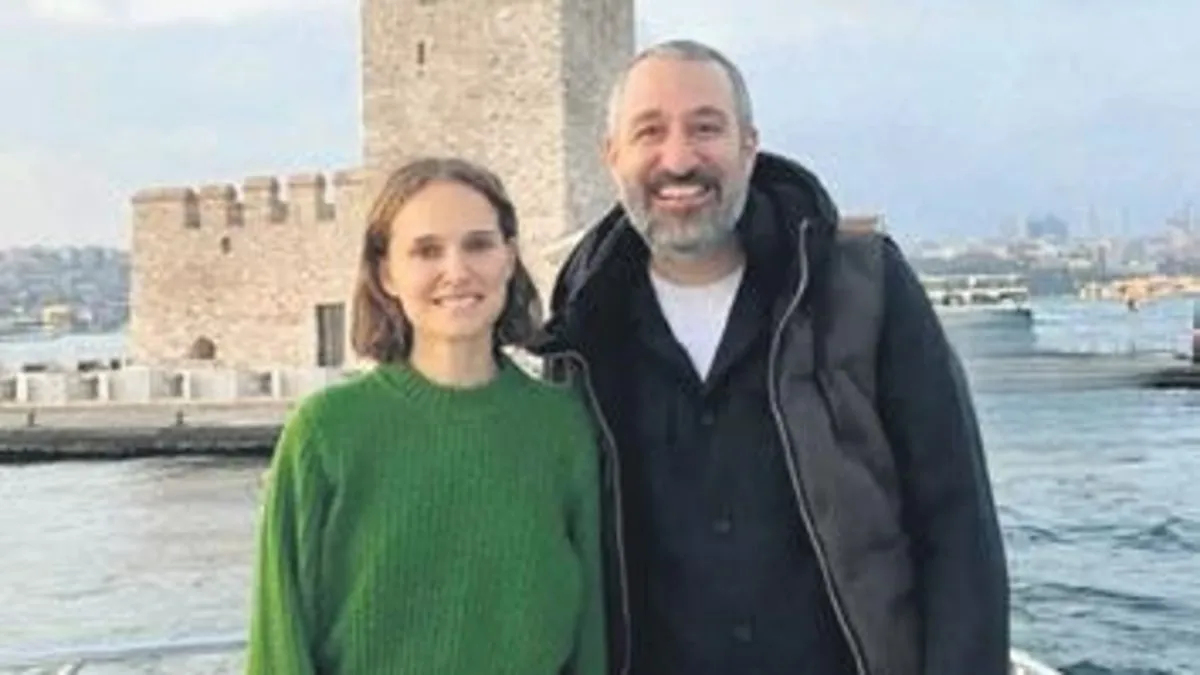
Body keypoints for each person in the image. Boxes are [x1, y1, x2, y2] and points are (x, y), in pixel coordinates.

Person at [530, 40, 1010, 675]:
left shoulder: (861, 287)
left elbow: (956, 522)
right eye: (650, 132)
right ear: (612, 156)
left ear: (748, 147)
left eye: (706, 128)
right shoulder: (583, 329)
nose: (679, 159)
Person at [245, 157, 608, 675]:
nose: (456, 271)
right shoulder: (325, 433)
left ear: (509, 258)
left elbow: (591, 635)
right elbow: (278, 640)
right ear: (386, 274)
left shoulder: (563, 428)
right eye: (426, 250)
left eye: (478, 245)